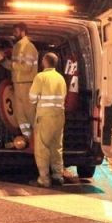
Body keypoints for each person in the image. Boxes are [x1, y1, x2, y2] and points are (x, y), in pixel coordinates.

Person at [28, 53, 67, 188]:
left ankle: (44, 179)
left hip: (45, 117)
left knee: (42, 147)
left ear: (45, 62)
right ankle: (58, 176)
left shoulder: (41, 77)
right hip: (59, 116)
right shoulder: (61, 78)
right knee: (57, 147)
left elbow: (32, 97)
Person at [10, 22, 39, 145]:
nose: (14, 34)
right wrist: (2, 61)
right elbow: (13, 67)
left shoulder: (29, 47)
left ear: (23, 32)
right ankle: (27, 140)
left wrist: (12, 65)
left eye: (16, 32)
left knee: (30, 114)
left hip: (27, 84)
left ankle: (37, 140)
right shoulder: (17, 47)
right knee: (20, 115)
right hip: (18, 84)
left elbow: (27, 68)